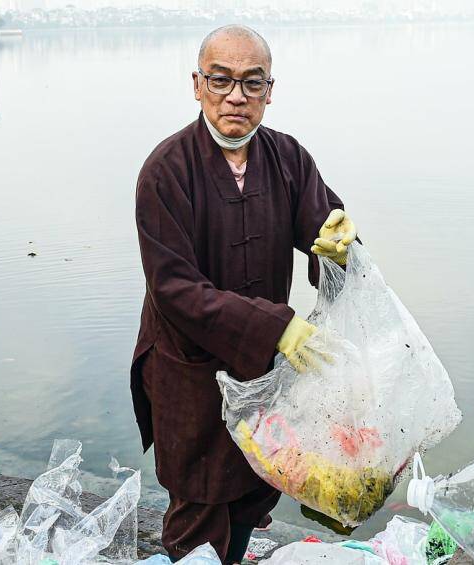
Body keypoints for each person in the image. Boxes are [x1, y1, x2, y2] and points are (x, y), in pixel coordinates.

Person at [130, 24, 357, 564]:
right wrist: (275, 326)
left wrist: (341, 250)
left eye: (252, 84)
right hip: (191, 372)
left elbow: (326, 230)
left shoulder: (288, 158)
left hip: (263, 372)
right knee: (199, 509)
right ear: (197, 84)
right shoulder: (165, 171)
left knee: (256, 494)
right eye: (221, 80)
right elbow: (174, 288)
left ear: (269, 91)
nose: (236, 96)